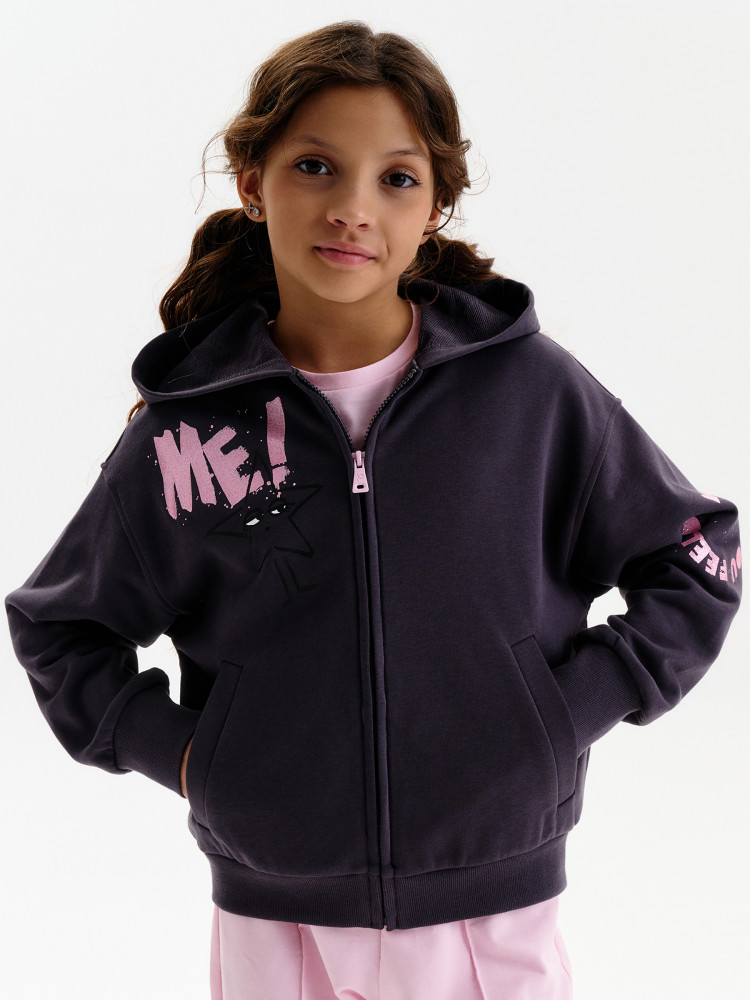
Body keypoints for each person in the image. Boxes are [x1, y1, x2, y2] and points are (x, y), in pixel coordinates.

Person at [5, 20, 741, 1000]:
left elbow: (696, 554)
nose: (353, 208)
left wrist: (561, 717)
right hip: (276, 921)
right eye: (315, 166)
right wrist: (196, 761)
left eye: (396, 178)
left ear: (435, 207)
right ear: (253, 182)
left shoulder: (529, 393)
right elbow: (59, 627)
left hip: (492, 911)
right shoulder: (191, 436)